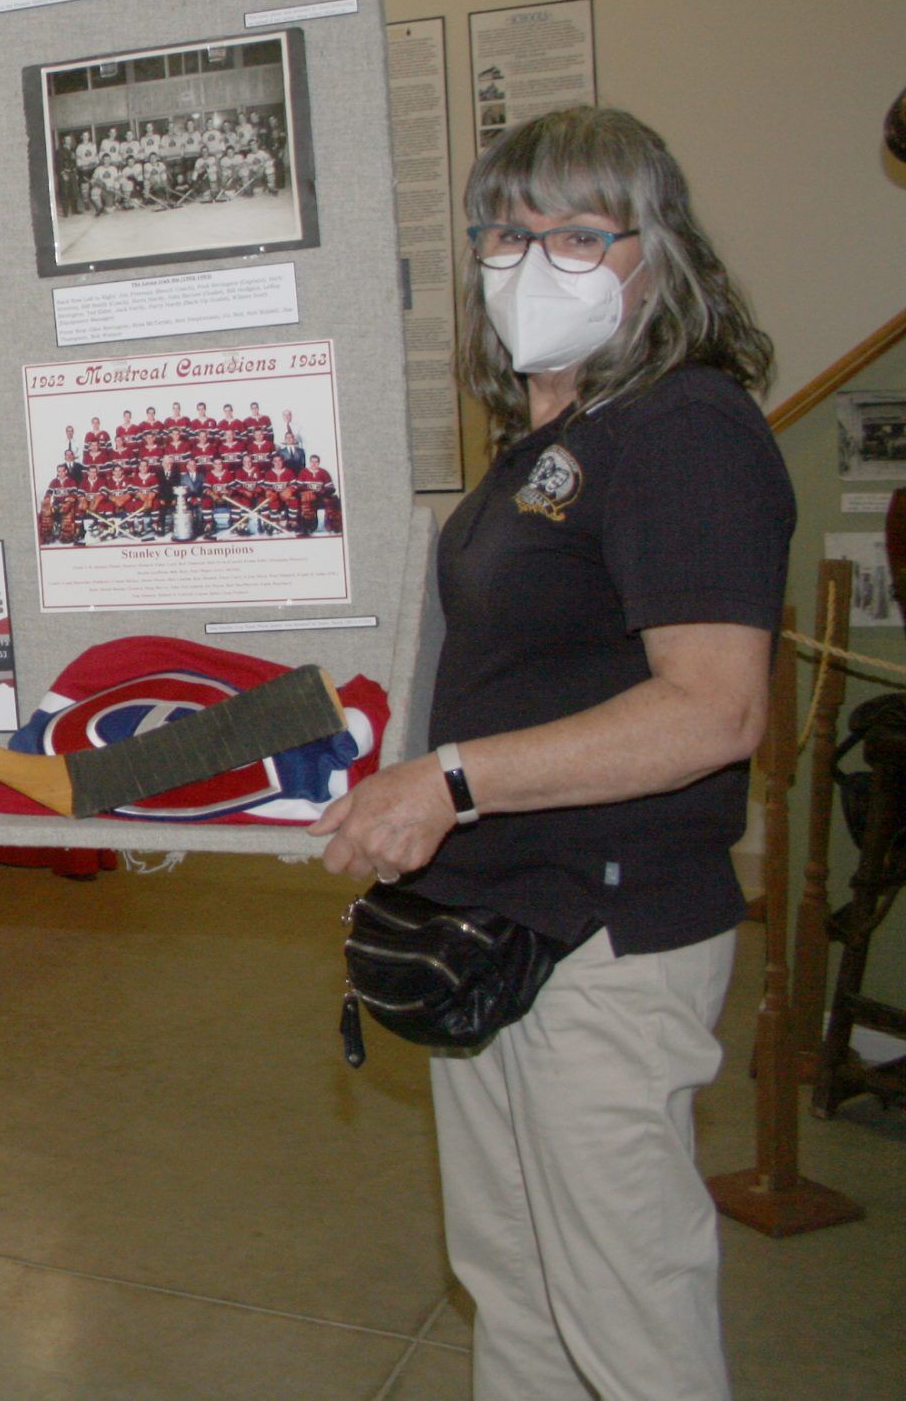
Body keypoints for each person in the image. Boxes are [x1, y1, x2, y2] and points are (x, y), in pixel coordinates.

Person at [311, 108, 787, 1401]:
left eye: (583, 232)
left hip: (607, 937)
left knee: (625, 1309)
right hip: (503, 922)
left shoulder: (684, 429)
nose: (540, 259)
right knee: (515, 1288)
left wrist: (451, 780)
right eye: (511, 233)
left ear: (657, 254)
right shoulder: (537, 449)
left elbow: (712, 709)